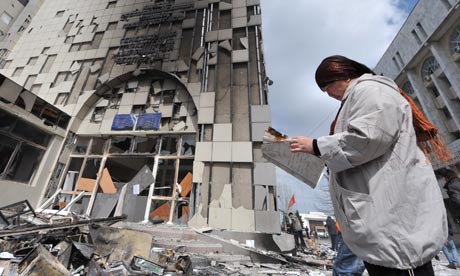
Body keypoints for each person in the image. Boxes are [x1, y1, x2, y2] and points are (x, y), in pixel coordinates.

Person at [289, 55, 448, 276]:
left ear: (343, 76)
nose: (328, 94)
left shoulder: (371, 91)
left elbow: (369, 138)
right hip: (379, 215)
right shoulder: (358, 96)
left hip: (391, 215)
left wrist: (316, 145)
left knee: (403, 266)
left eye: (327, 86)